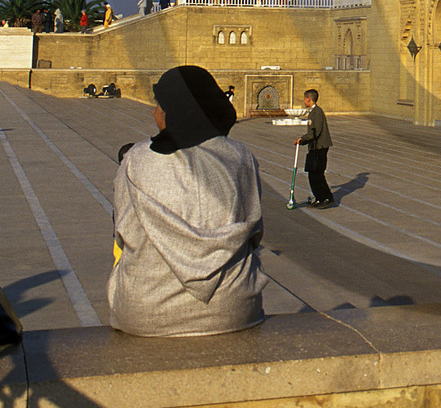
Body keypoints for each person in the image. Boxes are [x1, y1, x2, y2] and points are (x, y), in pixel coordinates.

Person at [109, 65, 267, 336]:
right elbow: (255, 233)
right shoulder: (241, 157)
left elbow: (122, 234)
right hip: (232, 309)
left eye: (161, 106)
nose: (155, 113)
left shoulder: (136, 159)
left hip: (147, 311)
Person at [295, 89, 333, 207]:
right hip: (314, 146)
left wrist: (302, 139)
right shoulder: (313, 111)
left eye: (305, 99)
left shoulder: (317, 112)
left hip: (319, 146)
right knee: (313, 173)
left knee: (317, 173)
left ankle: (326, 197)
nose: (304, 101)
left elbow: (315, 131)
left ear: (309, 99)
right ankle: (319, 197)